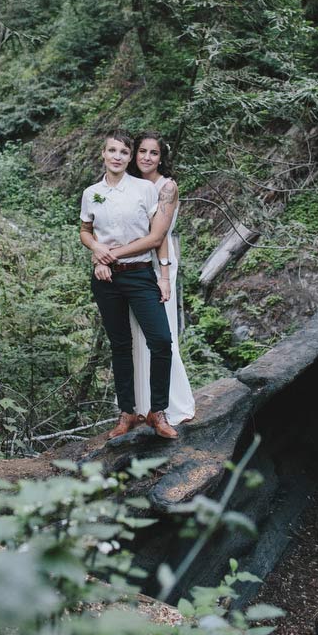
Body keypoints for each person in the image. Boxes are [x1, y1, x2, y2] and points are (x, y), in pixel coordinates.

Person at [80, 130, 178, 440]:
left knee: (161, 340)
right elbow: (85, 231)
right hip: (107, 280)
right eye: (113, 150)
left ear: (128, 156)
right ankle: (126, 414)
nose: (118, 156)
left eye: (124, 151)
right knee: (120, 346)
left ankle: (157, 412)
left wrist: (163, 277)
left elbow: (156, 236)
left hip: (139, 274)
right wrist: (98, 254)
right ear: (103, 154)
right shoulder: (91, 192)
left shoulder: (144, 190)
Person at [124, 132, 195, 425]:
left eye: (153, 153)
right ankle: (142, 405)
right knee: (136, 334)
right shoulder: (130, 186)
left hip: (159, 264)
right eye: (142, 151)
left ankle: (170, 403)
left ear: (161, 158)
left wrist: (113, 252)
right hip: (131, 264)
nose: (147, 158)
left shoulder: (167, 187)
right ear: (134, 154)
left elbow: (157, 236)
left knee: (161, 336)